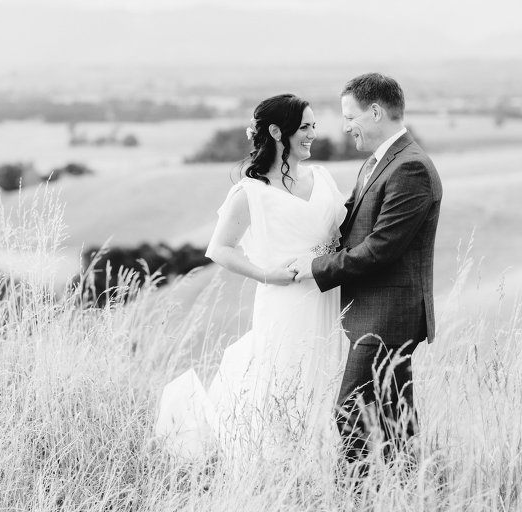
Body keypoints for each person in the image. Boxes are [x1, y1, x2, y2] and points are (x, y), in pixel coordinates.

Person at [155, 94, 349, 459]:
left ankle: (321, 466)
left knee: (325, 383)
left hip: (328, 298)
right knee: (285, 383)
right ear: (277, 131)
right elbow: (219, 249)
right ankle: (279, 467)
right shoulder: (251, 193)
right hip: (285, 302)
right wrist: (264, 274)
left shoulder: (322, 178)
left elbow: (343, 233)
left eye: (313, 126)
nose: (312, 134)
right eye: (304, 127)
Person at [291, 73, 443, 473]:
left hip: (389, 317)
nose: (345, 126)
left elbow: (380, 249)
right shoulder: (377, 164)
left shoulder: (409, 169)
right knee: (393, 419)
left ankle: (356, 496)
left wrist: (313, 268)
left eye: (349, 116)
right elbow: (346, 223)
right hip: (377, 314)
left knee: (351, 412)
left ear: (375, 111)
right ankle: (410, 490)